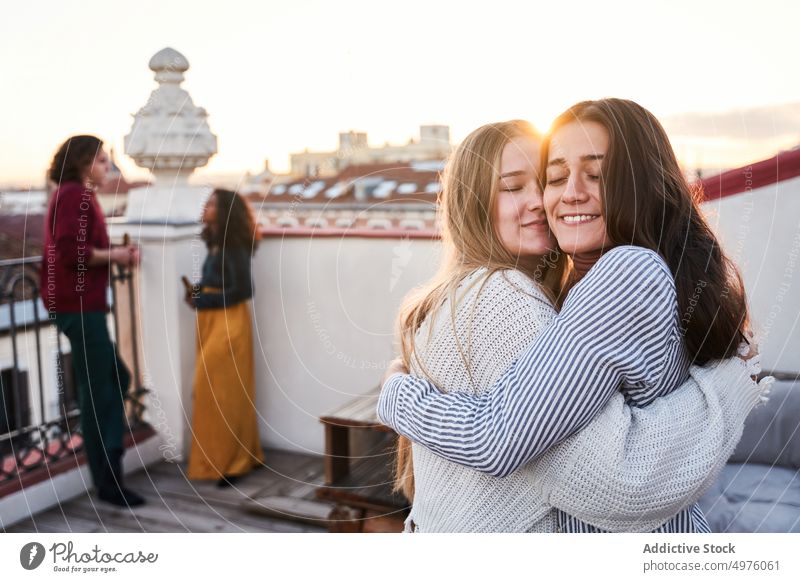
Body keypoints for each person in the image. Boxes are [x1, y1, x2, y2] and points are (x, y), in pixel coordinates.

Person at [379, 102, 771, 532]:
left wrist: (398, 397)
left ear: (639, 184)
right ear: (472, 204)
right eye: (557, 176)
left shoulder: (625, 273)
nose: (563, 195)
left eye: (597, 174)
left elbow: (509, 442)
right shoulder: (522, 294)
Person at [42, 135, 144, 507]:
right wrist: (116, 254)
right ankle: (108, 482)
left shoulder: (72, 195)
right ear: (84, 163)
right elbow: (71, 252)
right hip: (79, 307)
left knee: (109, 381)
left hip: (79, 306)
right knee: (102, 389)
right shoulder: (75, 195)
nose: (107, 167)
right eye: (102, 160)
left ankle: (106, 476)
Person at [186, 188, 264, 487]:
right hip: (211, 322)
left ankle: (235, 462)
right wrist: (193, 293)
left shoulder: (234, 247)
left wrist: (202, 300)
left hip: (230, 323)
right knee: (217, 392)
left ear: (225, 211)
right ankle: (231, 458)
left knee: (221, 391)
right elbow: (209, 282)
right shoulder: (215, 244)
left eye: (211, 204)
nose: (205, 207)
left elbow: (244, 290)